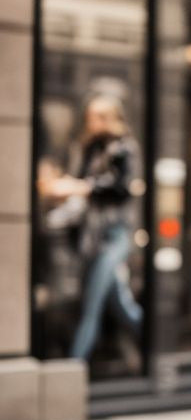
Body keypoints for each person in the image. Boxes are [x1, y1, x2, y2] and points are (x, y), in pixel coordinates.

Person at [39, 78, 143, 366]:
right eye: (90, 117)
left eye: (98, 117)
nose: (92, 122)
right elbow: (80, 187)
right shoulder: (87, 148)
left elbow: (119, 187)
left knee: (91, 305)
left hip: (114, 236)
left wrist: (80, 187)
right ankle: (155, 347)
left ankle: (73, 367)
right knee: (120, 305)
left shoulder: (124, 148)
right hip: (91, 237)